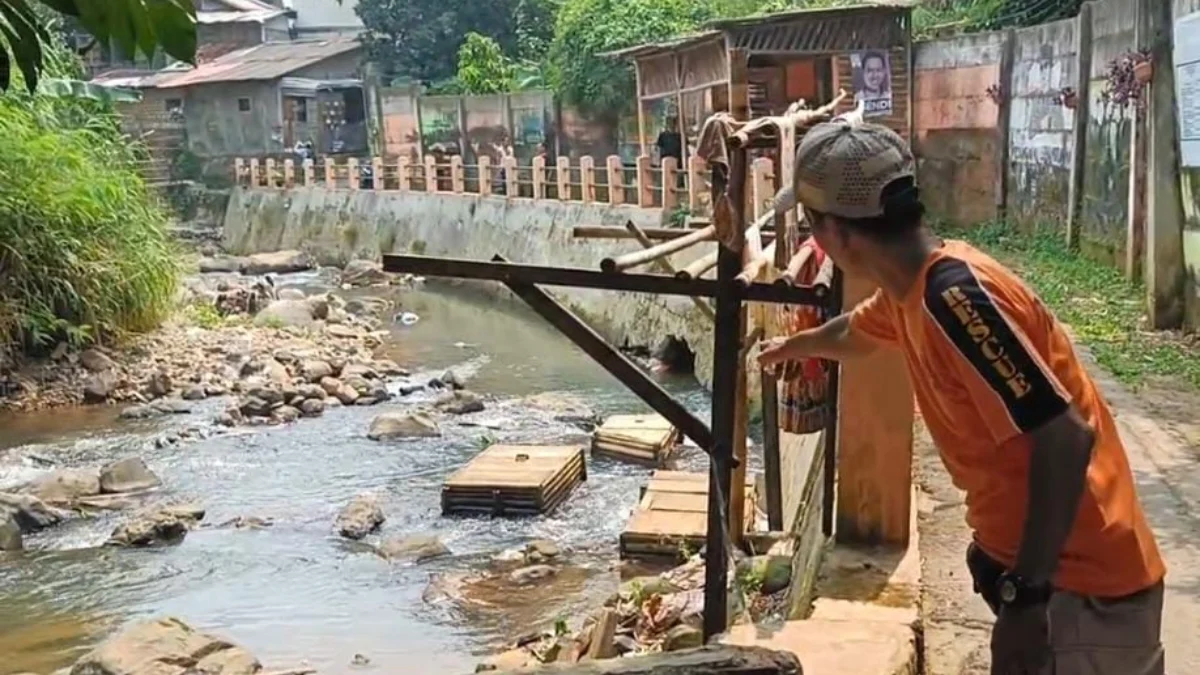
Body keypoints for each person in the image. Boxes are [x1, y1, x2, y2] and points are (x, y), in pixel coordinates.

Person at [757, 121, 1166, 675]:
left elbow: (1066, 437)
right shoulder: (911, 289)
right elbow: (855, 331)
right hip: (1050, 578)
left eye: (810, 224)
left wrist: (1026, 598)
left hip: (1081, 591)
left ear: (833, 235)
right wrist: (794, 345)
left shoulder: (953, 300)